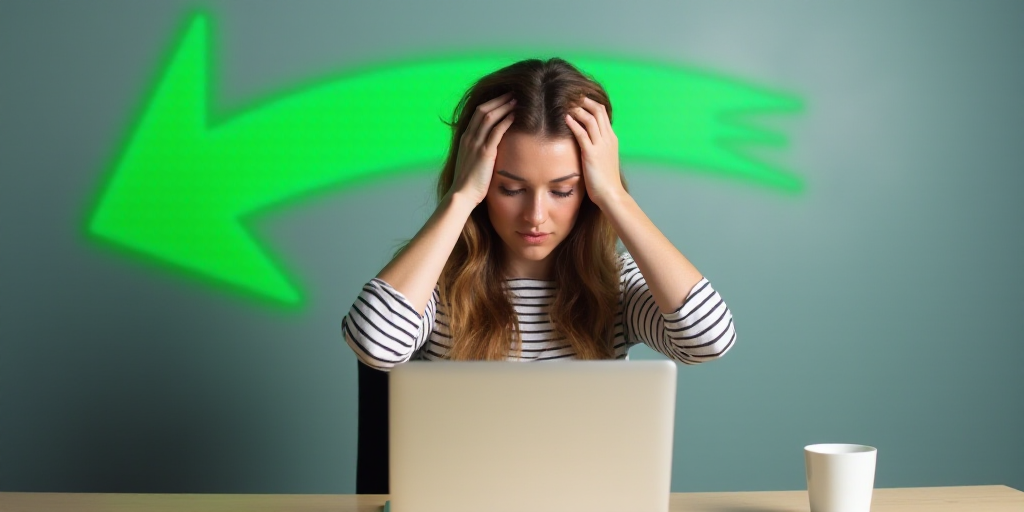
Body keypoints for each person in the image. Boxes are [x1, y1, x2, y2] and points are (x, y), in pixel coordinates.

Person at [342, 57, 735, 370]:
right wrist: (461, 196)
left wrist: (615, 196)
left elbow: (709, 340)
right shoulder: (434, 282)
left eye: (562, 191)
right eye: (511, 189)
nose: (535, 216)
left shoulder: (617, 286)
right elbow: (375, 345)